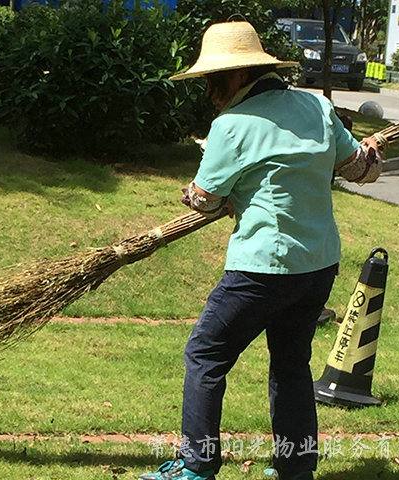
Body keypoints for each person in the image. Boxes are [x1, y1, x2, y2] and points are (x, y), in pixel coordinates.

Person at [140, 21, 383, 480]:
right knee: (291, 364)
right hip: (318, 265)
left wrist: (193, 192)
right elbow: (358, 170)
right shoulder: (317, 106)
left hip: (264, 269)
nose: (211, 93)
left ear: (238, 76)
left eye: (213, 82)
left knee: (205, 354)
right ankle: (296, 470)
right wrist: (372, 151)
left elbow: (204, 198)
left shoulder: (231, 126)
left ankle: (196, 465)